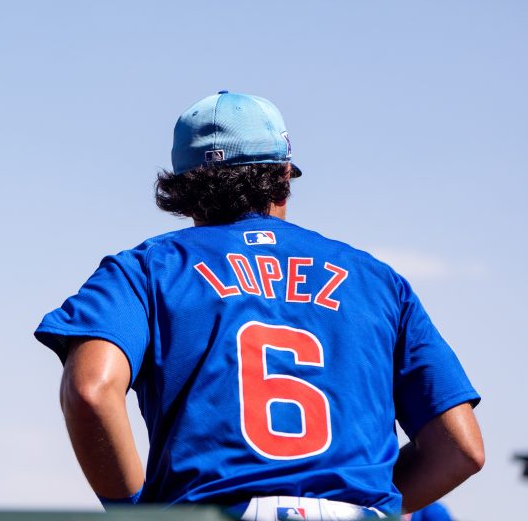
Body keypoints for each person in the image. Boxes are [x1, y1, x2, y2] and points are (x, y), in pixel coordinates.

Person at [34, 90, 484, 520]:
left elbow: (91, 389)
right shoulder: (378, 279)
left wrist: (138, 513)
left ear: (183, 188)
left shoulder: (144, 269)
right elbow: (459, 450)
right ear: (284, 177)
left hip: (215, 516)